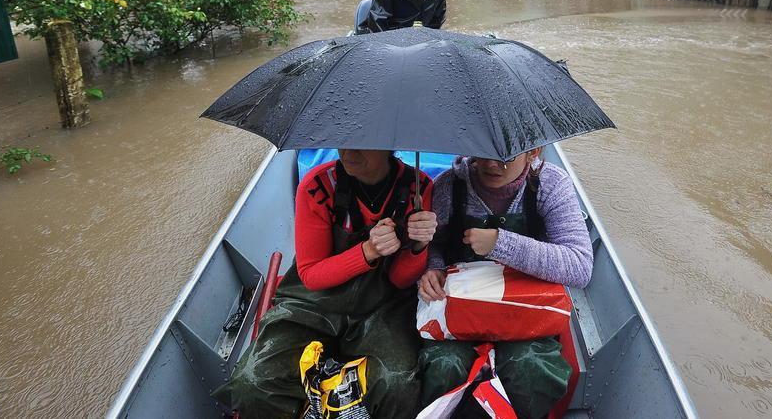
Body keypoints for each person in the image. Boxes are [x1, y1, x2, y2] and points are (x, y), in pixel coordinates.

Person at [217, 149, 438, 419]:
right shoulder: (316, 186)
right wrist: (367, 251)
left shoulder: (420, 186)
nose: (348, 150)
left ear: (388, 144)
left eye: (361, 142)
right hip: (312, 302)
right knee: (252, 384)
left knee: (397, 385)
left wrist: (418, 246)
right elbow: (311, 274)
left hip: (383, 307)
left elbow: (401, 280)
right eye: (343, 140)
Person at [417, 149, 594, 419]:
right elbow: (435, 245)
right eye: (483, 152)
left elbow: (580, 266)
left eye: (506, 156)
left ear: (532, 152)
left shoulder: (552, 184)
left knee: (533, 372)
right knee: (443, 367)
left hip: (526, 314)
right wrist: (434, 268)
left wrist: (500, 243)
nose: (490, 164)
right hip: (459, 313)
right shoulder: (448, 186)